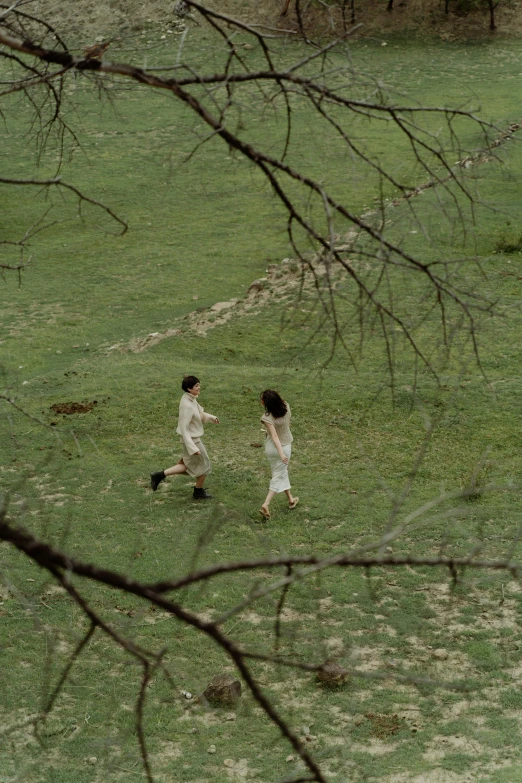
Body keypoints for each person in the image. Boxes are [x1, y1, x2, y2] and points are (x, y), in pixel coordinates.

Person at [150, 375, 219, 500]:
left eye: (199, 385)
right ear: (189, 388)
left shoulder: (191, 398)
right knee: (205, 466)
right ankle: (198, 492)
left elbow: (198, 413)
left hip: (193, 440)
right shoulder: (186, 405)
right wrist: (192, 447)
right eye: (196, 386)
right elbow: (184, 428)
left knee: (189, 465)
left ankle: (159, 475)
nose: (199, 387)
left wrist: (211, 417)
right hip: (192, 441)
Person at [259, 389, 298, 519]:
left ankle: (291, 499)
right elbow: (280, 432)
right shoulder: (286, 406)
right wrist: (281, 453)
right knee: (279, 474)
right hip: (284, 446)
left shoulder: (267, 417)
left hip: (271, 448)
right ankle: (266, 504)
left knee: (281, 472)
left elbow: (274, 436)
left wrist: (279, 453)